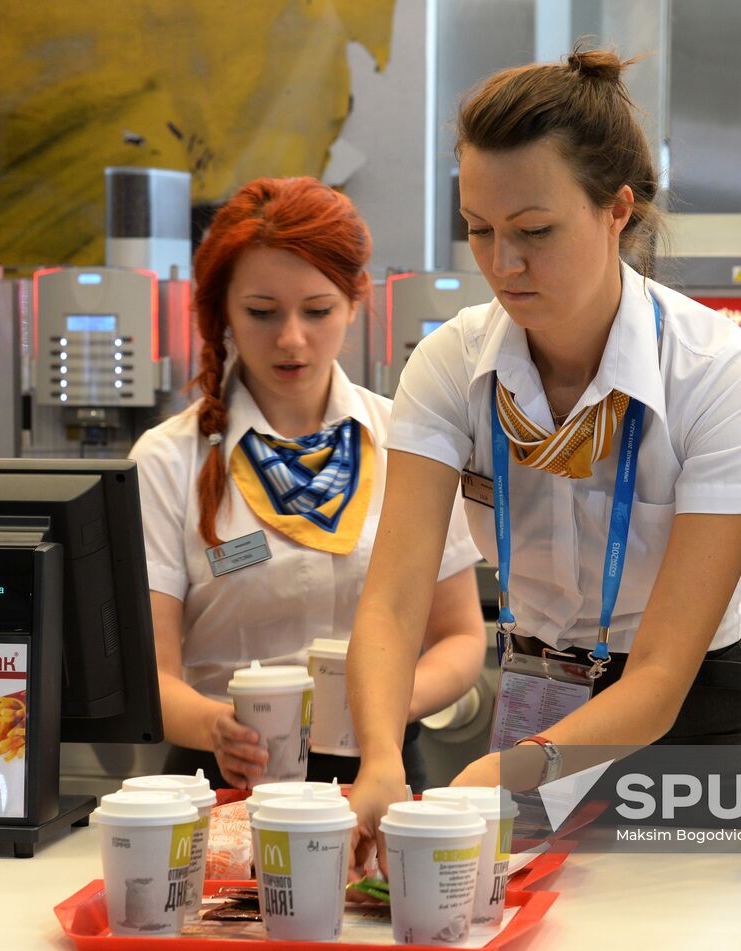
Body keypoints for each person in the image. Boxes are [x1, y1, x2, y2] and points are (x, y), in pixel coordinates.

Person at [346, 48, 741, 859]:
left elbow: (657, 676)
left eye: (534, 232)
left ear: (617, 209)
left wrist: (507, 775)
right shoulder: (450, 364)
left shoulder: (719, 377)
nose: (501, 263)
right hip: (537, 697)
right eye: (479, 230)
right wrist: (377, 754)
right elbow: (391, 598)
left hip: (695, 726)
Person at [130, 176, 486, 791]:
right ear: (221, 314)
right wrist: (219, 726)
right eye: (262, 313)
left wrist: (387, 707)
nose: (291, 339)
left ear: (355, 300)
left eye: (317, 310)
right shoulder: (168, 461)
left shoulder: (407, 441)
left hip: (382, 771)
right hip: (225, 778)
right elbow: (149, 676)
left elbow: (458, 637)